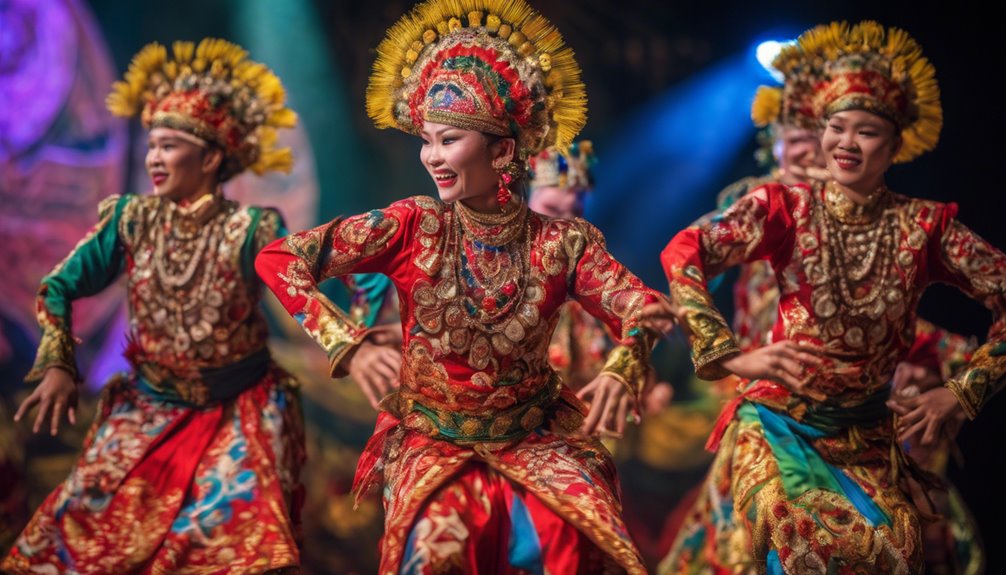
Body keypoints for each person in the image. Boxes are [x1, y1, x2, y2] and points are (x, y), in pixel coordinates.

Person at [255, 1, 665, 572]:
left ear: (502, 150)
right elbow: (279, 259)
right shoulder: (412, 225)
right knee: (435, 556)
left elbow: (641, 307)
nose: (431, 157)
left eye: (448, 140)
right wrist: (344, 341)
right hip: (435, 446)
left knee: (575, 552)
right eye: (426, 141)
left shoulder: (562, 243)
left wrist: (626, 365)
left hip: (538, 440)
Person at [651, 21, 1005, 574]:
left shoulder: (925, 228)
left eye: (866, 132)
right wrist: (728, 354)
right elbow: (684, 250)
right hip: (778, 421)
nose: (845, 142)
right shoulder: (782, 208)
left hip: (868, 435)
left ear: (895, 144)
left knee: (897, 554)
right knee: (797, 544)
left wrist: (961, 394)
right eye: (836, 127)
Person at [2, 38, 305, 574]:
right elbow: (58, 286)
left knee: (227, 552)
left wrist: (352, 343)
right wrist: (56, 361)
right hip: (145, 409)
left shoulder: (252, 230)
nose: (153, 159)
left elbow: (301, 299)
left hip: (236, 416)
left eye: (168, 146)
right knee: (74, 539)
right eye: (151, 146)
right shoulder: (130, 221)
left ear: (210, 157)